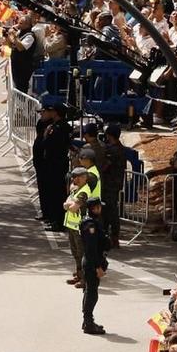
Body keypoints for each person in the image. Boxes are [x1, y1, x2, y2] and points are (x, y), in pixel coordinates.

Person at [33, 101, 72, 226]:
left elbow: (50, 145)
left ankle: (57, 220)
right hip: (52, 164)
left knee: (56, 193)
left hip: (55, 165)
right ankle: (52, 217)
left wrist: (46, 136)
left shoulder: (58, 128)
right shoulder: (55, 126)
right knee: (51, 192)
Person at [79, 197, 110, 334]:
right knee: (92, 294)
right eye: (98, 207)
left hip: (92, 261)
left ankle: (87, 321)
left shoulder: (94, 222)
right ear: (94, 209)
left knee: (90, 292)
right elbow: (91, 249)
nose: (100, 209)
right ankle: (89, 323)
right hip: (92, 263)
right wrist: (97, 267)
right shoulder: (90, 225)